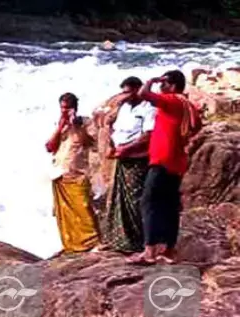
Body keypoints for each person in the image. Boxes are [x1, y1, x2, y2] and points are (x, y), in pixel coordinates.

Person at [127, 69, 201, 265]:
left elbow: (143, 94)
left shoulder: (171, 101)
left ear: (172, 85)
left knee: (148, 202)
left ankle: (150, 251)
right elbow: (196, 127)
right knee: (168, 206)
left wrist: (151, 80)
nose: (161, 86)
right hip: (177, 161)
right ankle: (168, 249)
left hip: (162, 159)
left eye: (164, 83)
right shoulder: (188, 105)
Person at [103, 76, 156, 254]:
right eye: (124, 92)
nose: (125, 96)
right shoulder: (124, 107)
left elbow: (148, 135)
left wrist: (128, 148)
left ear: (137, 89)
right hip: (122, 158)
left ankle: (140, 241)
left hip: (138, 159)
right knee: (119, 200)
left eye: (128, 92)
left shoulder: (148, 107)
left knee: (136, 200)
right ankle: (121, 240)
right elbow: (114, 128)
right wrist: (113, 143)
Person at [46, 92, 101, 256]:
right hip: (60, 172)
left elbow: (89, 142)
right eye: (62, 107)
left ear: (74, 108)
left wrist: (76, 125)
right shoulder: (60, 124)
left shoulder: (85, 123)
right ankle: (72, 245)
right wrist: (60, 127)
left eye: (67, 108)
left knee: (83, 207)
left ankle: (94, 242)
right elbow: (49, 147)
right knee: (64, 213)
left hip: (78, 172)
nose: (64, 111)